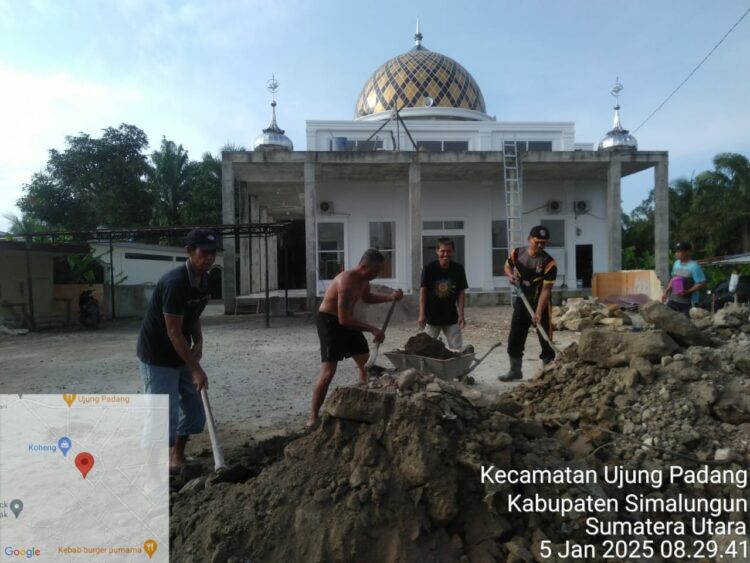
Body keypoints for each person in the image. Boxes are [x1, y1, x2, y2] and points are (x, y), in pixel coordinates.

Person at [137, 228, 217, 473]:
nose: (210, 258)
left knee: (194, 409)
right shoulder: (174, 283)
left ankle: (176, 457)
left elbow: (192, 313)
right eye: (204, 252)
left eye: (213, 253)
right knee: (163, 414)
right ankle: (152, 470)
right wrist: (196, 369)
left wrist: (199, 339)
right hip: (158, 355)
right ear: (189, 251)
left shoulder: (206, 280)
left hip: (181, 351)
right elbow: (173, 332)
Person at [310, 249, 403, 426]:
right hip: (329, 322)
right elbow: (343, 320)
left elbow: (367, 298)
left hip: (348, 321)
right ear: (363, 266)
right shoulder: (346, 281)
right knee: (328, 373)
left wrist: (390, 297)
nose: (376, 275)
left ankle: (365, 406)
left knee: (366, 365)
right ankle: (313, 416)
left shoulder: (363, 281)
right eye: (375, 271)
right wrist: (373, 329)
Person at [498, 225, 557, 381]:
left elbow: (546, 290)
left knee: (545, 337)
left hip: (541, 303)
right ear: (529, 239)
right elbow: (507, 265)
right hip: (522, 300)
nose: (540, 245)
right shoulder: (517, 253)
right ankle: (515, 370)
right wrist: (510, 275)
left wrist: (538, 312)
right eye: (537, 241)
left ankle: (548, 372)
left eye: (543, 243)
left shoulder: (549, 263)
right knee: (515, 335)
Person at [418, 237, 468, 349]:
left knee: (457, 348)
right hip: (431, 317)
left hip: (451, 317)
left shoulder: (458, 269)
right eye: (443, 251)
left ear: (453, 251)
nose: (446, 254)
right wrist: (421, 314)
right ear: (437, 251)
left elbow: (461, 293)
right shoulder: (429, 269)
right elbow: (423, 292)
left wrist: (462, 315)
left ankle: (456, 367)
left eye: (449, 251)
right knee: (426, 348)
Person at [661, 241, 706, 316]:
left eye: (679, 251)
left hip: (688, 302)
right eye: (676, 251)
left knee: (687, 323)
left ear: (687, 252)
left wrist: (688, 291)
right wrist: (666, 291)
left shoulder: (694, 266)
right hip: (674, 299)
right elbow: (673, 278)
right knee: (667, 317)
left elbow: (701, 283)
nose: (676, 254)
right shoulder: (676, 263)